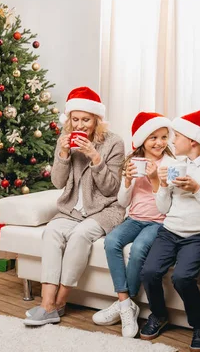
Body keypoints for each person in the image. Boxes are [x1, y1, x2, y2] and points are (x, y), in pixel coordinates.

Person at [24, 86, 125, 326]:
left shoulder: (114, 143)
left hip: (105, 210)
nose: (80, 125)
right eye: (75, 119)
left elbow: (111, 189)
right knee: (51, 232)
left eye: (86, 120)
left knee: (80, 236)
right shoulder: (64, 139)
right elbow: (58, 182)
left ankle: (58, 303)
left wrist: (95, 157)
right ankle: (46, 304)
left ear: (97, 120)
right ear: (69, 119)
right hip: (71, 209)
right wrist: (63, 153)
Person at [139, 110, 200, 352]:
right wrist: (162, 187)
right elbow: (164, 208)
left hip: (198, 236)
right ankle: (158, 315)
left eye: (176, 136)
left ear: (192, 140)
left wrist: (197, 188)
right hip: (169, 231)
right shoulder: (174, 165)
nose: (171, 141)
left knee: (182, 277)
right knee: (148, 271)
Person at [92, 112, 176, 338]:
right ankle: (125, 303)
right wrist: (128, 181)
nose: (159, 143)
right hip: (134, 219)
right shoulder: (132, 163)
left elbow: (166, 207)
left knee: (139, 250)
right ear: (142, 141)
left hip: (158, 223)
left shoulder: (170, 164)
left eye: (163, 137)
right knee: (111, 241)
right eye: (153, 138)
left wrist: (156, 180)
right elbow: (123, 202)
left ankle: (122, 306)